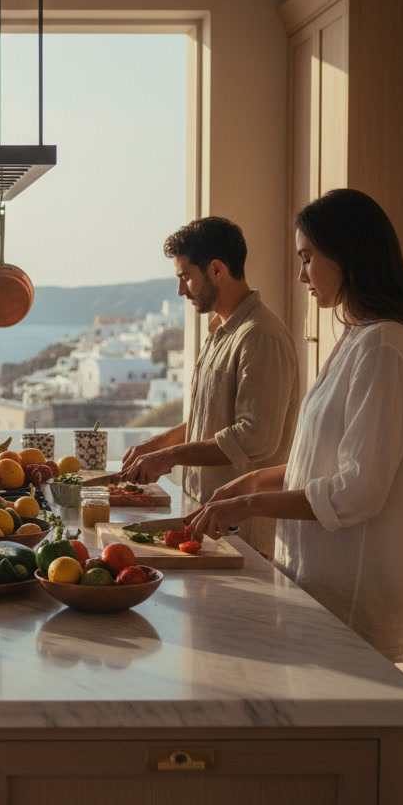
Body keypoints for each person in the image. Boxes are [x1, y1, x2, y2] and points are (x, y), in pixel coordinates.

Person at [187, 189, 403, 663]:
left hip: (356, 593)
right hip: (322, 586)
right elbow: (319, 463)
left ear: (347, 255)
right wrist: (249, 483)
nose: (301, 274)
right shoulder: (357, 337)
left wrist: (251, 503)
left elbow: (358, 490)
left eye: (307, 258)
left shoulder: (385, 346)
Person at [122, 216, 300, 557]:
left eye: (186, 277)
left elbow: (256, 437)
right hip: (209, 524)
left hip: (244, 535)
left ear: (216, 269)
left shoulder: (260, 336)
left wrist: (170, 456)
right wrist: (155, 447)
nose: (180, 290)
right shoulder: (221, 332)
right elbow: (209, 422)